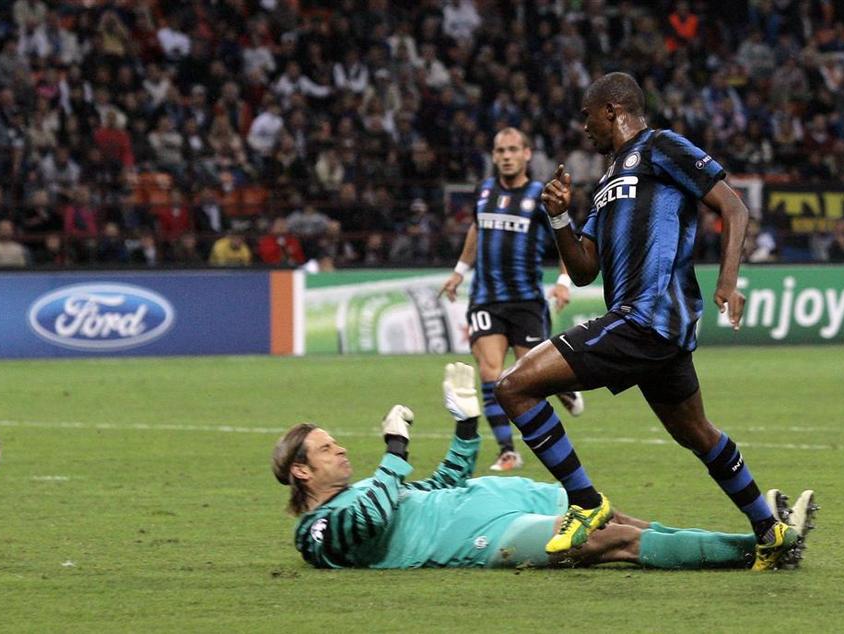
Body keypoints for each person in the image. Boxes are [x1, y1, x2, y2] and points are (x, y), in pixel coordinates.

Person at [492, 72, 799, 570]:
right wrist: (560, 217)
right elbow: (585, 269)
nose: (584, 127)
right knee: (696, 432)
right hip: (652, 330)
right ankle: (770, 530)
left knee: (513, 387)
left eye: (588, 116)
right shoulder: (607, 182)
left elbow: (734, 206)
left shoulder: (660, 146)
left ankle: (586, 502)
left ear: (612, 110)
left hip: (646, 316)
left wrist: (728, 281)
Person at [272, 363, 815, 570]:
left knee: (624, 522)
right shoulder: (317, 529)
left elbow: (436, 485)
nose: (339, 450)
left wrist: (466, 425)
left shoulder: (372, 488)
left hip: (493, 498)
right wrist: (394, 451)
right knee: (612, 542)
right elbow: (368, 521)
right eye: (325, 449)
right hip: (483, 537)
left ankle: (764, 535)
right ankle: (759, 547)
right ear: (301, 472)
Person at [440, 127, 583, 473]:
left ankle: (561, 386)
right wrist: (459, 271)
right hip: (486, 299)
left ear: (527, 154)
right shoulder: (484, 191)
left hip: (526, 302)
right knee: (491, 372)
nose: (506, 156)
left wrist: (563, 282)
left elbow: (566, 239)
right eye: (500, 150)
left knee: (527, 378)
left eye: (513, 150)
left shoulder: (540, 196)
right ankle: (507, 451)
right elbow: (477, 229)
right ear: (494, 155)